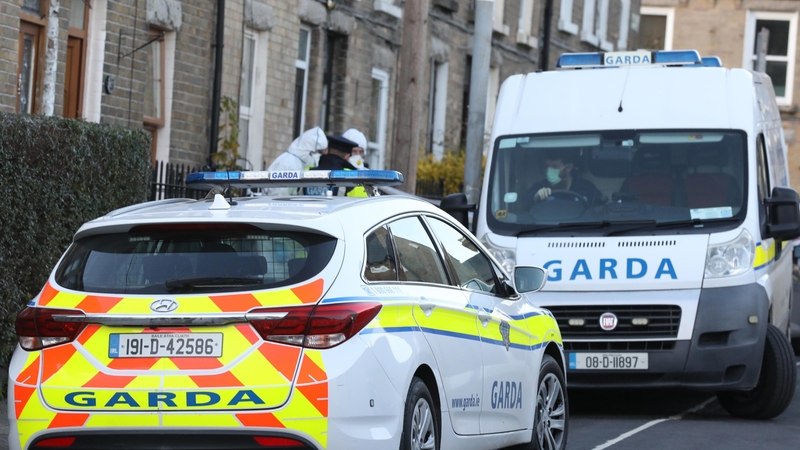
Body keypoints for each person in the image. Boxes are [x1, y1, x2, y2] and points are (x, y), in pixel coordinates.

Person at [524, 150, 604, 208]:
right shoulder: (539, 187)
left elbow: (599, 211)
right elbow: (524, 206)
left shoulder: (586, 188)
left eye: (554, 166)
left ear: (568, 168)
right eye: (548, 166)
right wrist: (535, 199)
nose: (549, 170)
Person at [264, 127, 327, 196]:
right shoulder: (290, 165)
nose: (319, 156)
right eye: (319, 152)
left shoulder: (295, 162)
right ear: (309, 150)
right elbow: (279, 196)